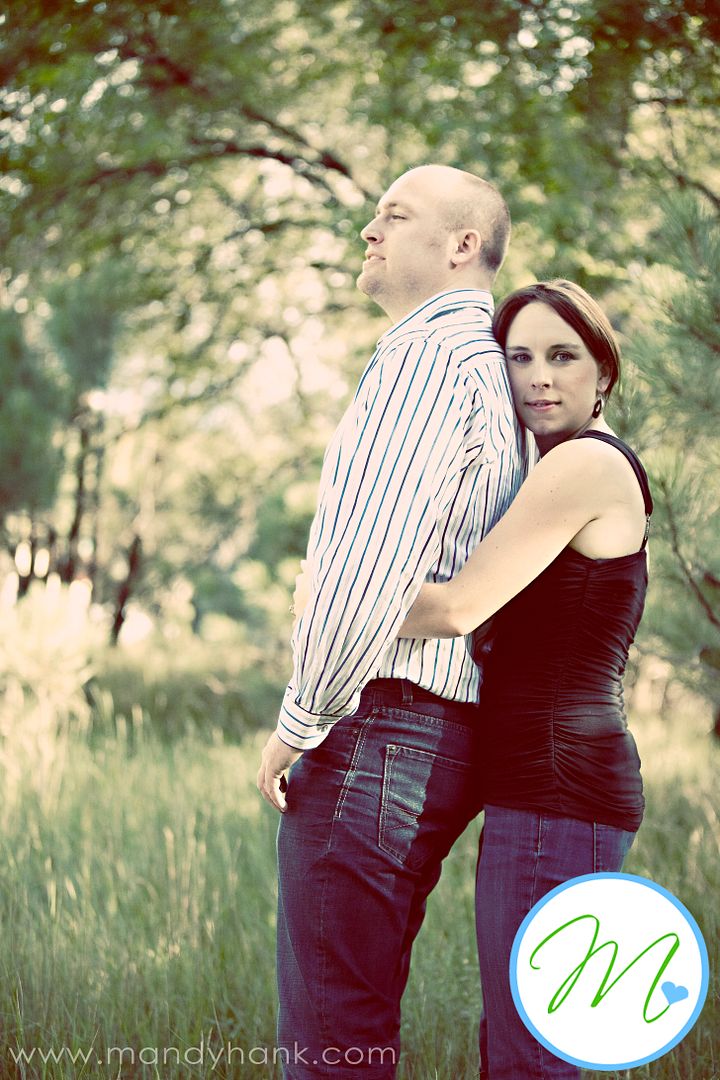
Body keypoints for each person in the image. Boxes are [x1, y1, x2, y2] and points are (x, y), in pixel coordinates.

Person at [256, 163, 526, 1078]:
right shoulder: (491, 369)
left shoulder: (427, 358)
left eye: (394, 214)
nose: (369, 230)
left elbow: (365, 574)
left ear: (461, 245)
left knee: (330, 1041)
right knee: (356, 1026)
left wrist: (300, 721)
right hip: (438, 736)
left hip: (379, 730)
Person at [397, 279, 653, 1080]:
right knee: (527, 1047)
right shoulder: (562, 466)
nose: (538, 377)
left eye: (562, 356)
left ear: (603, 371)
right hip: (549, 790)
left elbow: (456, 607)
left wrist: (333, 599)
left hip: (557, 792)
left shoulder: (584, 464)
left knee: (529, 1058)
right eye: (519, 358)